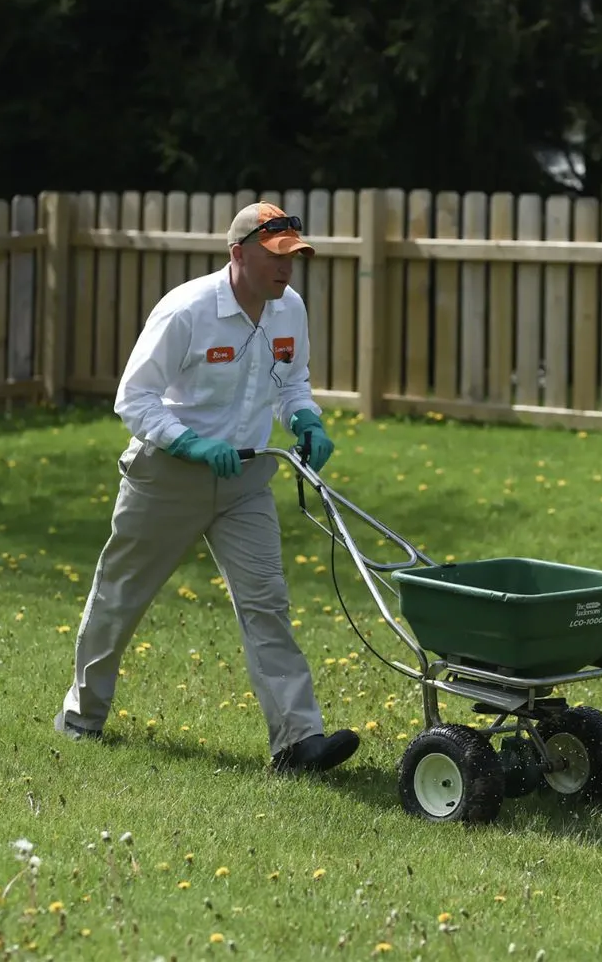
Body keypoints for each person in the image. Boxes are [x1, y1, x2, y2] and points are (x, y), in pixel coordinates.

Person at [54, 201, 360, 775]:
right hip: (167, 477)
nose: (286, 269)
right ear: (238, 253)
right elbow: (134, 399)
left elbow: (292, 381)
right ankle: (82, 715)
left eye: (293, 257)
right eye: (275, 257)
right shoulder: (187, 310)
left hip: (245, 481)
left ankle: (297, 742)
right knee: (121, 596)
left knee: (267, 603)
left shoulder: (288, 309)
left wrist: (305, 420)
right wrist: (190, 443)